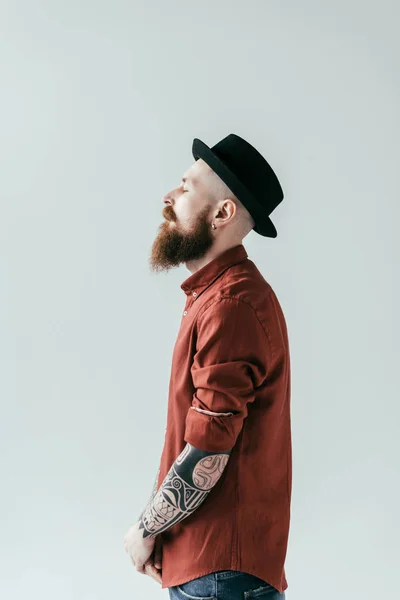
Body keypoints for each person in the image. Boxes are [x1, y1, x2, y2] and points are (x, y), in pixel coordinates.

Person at [123, 133, 292, 599]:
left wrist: (145, 528)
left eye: (185, 185)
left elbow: (208, 450)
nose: (169, 196)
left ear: (223, 213)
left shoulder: (231, 304)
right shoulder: (219, 296)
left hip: (218, 576)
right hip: (212, 569)